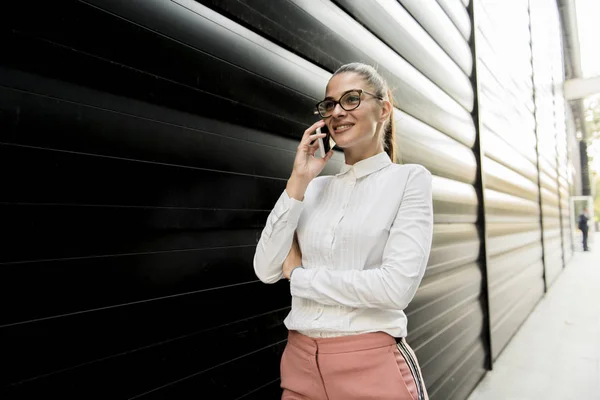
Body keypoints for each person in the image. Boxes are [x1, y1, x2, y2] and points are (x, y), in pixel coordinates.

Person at [254, 62, 433, 400]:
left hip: (371, 367)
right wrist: (299, 179)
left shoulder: (409, 180)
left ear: (384, 109)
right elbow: (265, 269)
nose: (337, 112)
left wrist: (299, 277)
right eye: (329, 104)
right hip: (300, 363)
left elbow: (395, 289)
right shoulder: (314, 189)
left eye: (351, 99)